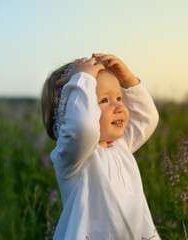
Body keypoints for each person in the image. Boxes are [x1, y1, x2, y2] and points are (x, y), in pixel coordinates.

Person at [41, 53, 161, 239]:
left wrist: (128, 80)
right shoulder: (76, 157)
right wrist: (83, 79)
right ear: (70, 113)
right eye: (104, 100)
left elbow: (148, 118)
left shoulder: (120, 146)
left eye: (119, 98)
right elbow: (83, 127)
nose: (119, 107)